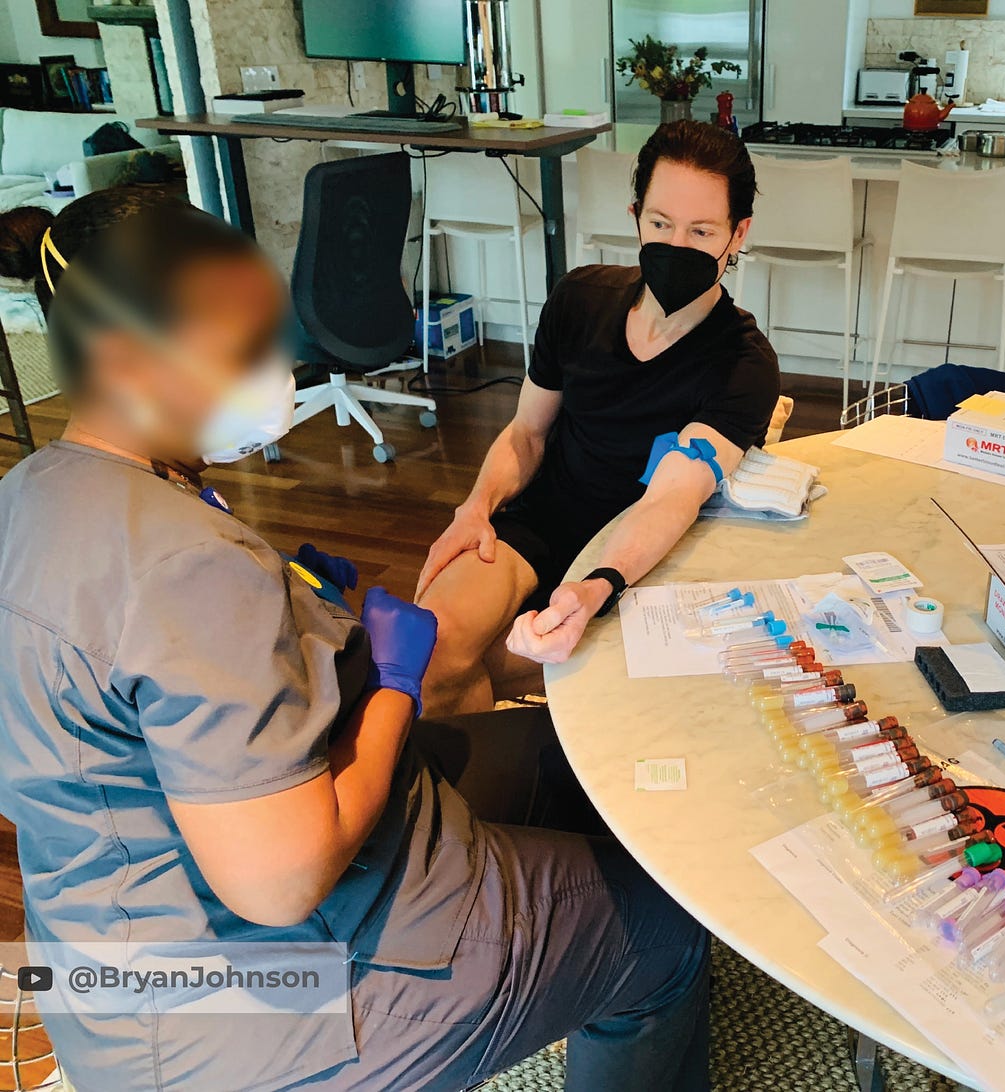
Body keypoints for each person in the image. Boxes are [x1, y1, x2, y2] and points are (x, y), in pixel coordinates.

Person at [0, 189, 710, 1091]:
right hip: (257, 1003)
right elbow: (279, 883)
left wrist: (293, 614)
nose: (278, 371)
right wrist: (399, 683)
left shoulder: (29, 494)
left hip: (100, 966)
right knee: (671, 929)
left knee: (558, 759)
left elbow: (132, 678)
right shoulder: (185, 564)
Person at [416, 120, 781, 714]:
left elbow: (669, 500)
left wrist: (598, 586)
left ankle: (523, 781)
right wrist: (475, 507)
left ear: (737, 234)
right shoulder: (579, 299)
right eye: (661, 224)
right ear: (636, 214)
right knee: (428, 653)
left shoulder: (742, 366)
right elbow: (527, 434)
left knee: (484, 664)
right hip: (540, 525)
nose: (677, 245)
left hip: (639, 559)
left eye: (702, 230)